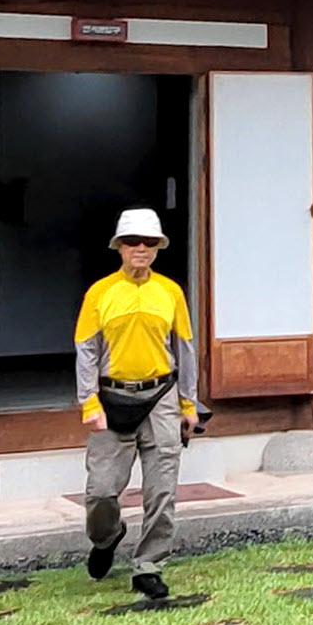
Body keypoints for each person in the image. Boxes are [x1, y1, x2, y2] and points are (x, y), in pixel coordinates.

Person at [73, 207, 206, 603]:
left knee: (162, 490)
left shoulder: (170, 292)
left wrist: (189, 404)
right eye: (133, 241)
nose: (141, 249)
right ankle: (107, 537)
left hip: (161, 396)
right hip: (112, 396)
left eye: (149, 242)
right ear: (119, 247)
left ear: (158, 247)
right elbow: (86, 350)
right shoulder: (100, 293)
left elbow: (185, 348)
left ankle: (149, 566)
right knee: (101, 491)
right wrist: (88, 402)